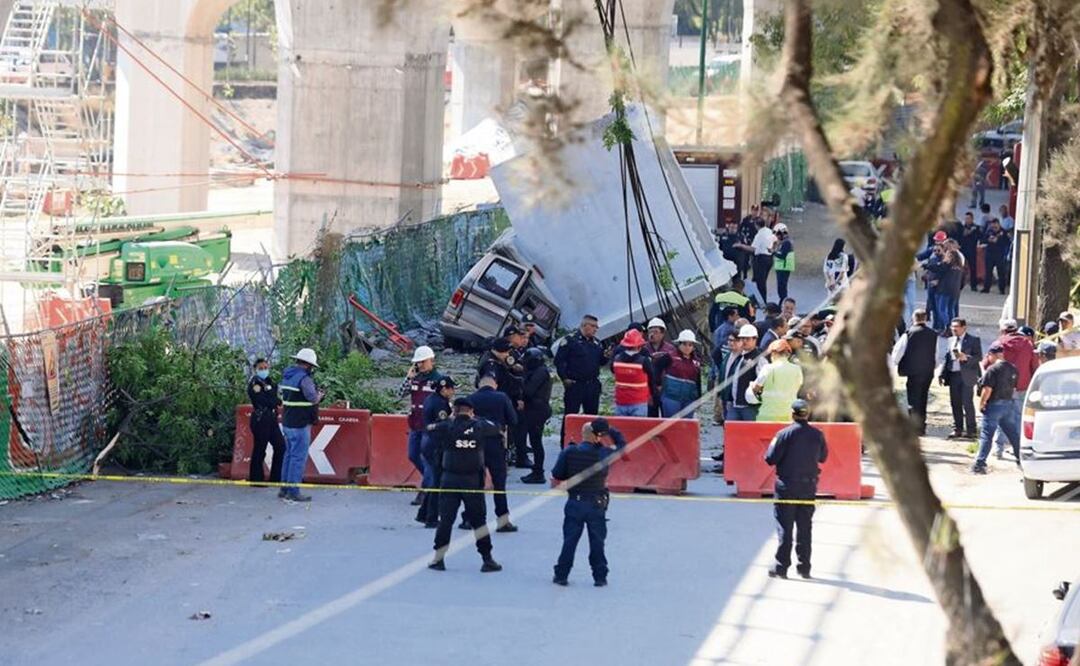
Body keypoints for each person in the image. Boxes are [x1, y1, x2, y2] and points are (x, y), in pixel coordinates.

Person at [427, 398, 503, 573]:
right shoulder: (480, 426)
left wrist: (447, 420)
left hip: (449, 479)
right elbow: (497, 428)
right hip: (472, 481)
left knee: (446, 521)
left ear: (454, 411)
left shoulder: (447, 426)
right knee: (479, 522)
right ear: (471, 411)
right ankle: (487, 559)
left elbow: (430, 429)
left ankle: (438, 559)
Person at [551, 418, 626, 587]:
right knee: (597, 542)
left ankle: (561, 574)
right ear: (598, 436)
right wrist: (609, 429)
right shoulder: (604, 453)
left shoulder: (570, 452)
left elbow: (557, 473)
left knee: (569, 541)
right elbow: (622, 446)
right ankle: (600, 577)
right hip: (596, 504)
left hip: (575, 502)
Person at [764, 399, 828, 579]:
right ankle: (804, 567)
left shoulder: (783, 434)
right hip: (808, 486)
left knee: (785, 526)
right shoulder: (818, 435)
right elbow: (823, 457)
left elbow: (770, 458)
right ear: (808, 414)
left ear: (792, 414)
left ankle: (781, 566)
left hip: (786, 486)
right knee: (805, 527)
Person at [468, 376, 519, 532]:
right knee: (499, 484)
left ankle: (469, 519)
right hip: (496, 444)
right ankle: (503, 521)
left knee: (475, 483)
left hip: (476, 444)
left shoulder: (471, 398)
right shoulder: (502, 397)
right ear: (495, 385)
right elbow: (513, 420)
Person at [988, 318, 1039, 458]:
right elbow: (1034, 365)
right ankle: (1018, 450)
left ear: (1002, 330)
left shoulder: (999, 343)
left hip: (1002, 386)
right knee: (1019, 417)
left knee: (1001, 417)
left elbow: (988, 363)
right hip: (1022, 386)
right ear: (1016, 329)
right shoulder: (1028, 344)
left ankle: (998, 448)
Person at [399, 345, 443, 505]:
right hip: (415, 423)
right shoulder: (415, 378)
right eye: (418, 362)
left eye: (423, 362)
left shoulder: (439, 380)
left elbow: (446, 402)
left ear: (431, 361)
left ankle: (425, 490)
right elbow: (400, 394)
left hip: (430, 426)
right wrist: (408, 378)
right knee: (413, 455)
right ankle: (433, 481)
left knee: (428, 457)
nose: (420, 365)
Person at [279, 348, 324, 502]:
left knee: (289, 455)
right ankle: (293, 491)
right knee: (298, 458)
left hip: (287, 422)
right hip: (300, 423)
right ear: (308, 364)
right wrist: (320, 395)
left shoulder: (287, 376)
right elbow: (312, 398)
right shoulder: (304, 379)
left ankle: (284, 488)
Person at [554, 315, 604, 443]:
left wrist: (607, 356)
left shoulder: (597, 343)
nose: (595, 329)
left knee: (591, 417)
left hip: (592, 384)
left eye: (596, 327)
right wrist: (564, 378)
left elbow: (600, 362)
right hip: (575, 384)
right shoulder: (570, 340)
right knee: (570, 416)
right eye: (593, 326)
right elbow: (559, 361)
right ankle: (566, 444)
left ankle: (591, 444)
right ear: (584, 325)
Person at [971, 344, 1020, 474]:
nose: (988, 358)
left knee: (987, 435)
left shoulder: (992, 369)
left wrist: (982, 403)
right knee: (1013, 434)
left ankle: (980, 464)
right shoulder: (1013, 368)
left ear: (993, 355)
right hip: (1008, 404)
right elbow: (1014, 388)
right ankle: (1021, 459)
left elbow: (987, 389)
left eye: (989, 355)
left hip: (994, 405)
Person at [418, 376, 456, 527]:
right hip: (435, 444)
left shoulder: (431, 399)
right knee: (437, 482)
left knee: (435, 480)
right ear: (444, 389)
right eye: (451, 389)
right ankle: (431, 518)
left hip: (428, 441)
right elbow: (443, 425)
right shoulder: (440, 403)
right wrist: (452, 419)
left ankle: (423, 513)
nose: (453, 392)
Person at [893, 309, 938, 435]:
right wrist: (932, 367)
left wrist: (894, 364)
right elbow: (936, 354)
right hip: (927, 372)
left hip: (913, 372)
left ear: (914, 318)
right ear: (925, 319)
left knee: (913, 400)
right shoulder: (933, 334)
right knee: (923, 398)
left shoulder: (908, 333)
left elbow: (898, 352)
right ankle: (921, 426)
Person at [939, 318, 982, 439]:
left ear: (964, 327)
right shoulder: (950, 340)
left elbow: (978, 357)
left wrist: (966, 358)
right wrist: (942, 374)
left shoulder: (973, 340)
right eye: (952, 327)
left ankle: (971, 430)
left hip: (967, 376)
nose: (954, 329)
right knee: (955, 403)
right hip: (953, 375)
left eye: (956, 327)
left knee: (967, 403)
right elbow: (947, 358)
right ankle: (957, 428)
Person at [247, 358, 285, 485]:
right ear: (255, 370)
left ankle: (276, 477)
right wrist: (275, 400)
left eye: (265, 368)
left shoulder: (269, 381)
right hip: (261, 419)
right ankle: (256, 479)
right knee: (260, 449)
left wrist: (274, 399)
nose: (264, 370)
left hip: (272, 419)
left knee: (280, 446)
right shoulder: (255, 384)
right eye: (261, 368)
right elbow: (264, 400)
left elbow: (275, 395)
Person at [653, 330, 703, 418]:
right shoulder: (670, 356)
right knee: (671, 424)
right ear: (679, 344)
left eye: (690, 345)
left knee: (686, 424)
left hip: (689, 399)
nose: (687, 347)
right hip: (671, 397)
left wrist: (699, 398)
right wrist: (658, 384)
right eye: (684, 344)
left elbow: (698, 380)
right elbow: (656, 367)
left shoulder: (696, 361)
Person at [520, 348, 552, 484]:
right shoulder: (539, 371)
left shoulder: (540, 372)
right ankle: (537, 471)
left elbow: (528, 390)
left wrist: (521, 379)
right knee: (535, 441)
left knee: (536, 442)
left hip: (537, 410)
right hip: (536, 409)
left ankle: (538, 472)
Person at [750, 340, 804, 422]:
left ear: (774, 353)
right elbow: (798, 386)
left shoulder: (767, 368)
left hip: (768, 415)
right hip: (788, 414)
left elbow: (756, 388)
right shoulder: (797, 369)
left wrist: (752, 386)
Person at [723, 324, 766, 422]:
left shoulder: (759, 358)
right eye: (742, 338)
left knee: (750, 431)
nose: (744, 341)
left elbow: (764, 381)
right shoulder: (739, 356)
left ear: (755, 339)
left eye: (747, 339)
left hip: (750, 407)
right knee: (731, 430)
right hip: (734, 405)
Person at [610, 329, 654, 417]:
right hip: (639, 402)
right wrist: (652, 395)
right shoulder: (644, 361)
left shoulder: (616, 360)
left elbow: (612, 370)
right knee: (638, 425)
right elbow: (651, 379)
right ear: (639, 346)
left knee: (621, 425)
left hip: (621, 401)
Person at [644, 318, 677, 417]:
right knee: (651, 417)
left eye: (655, 332)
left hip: (665, 388)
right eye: (650, 331)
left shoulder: (670, 349)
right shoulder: (643, 348)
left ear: (662, 334)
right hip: (649, 389)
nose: (652, 334)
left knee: (667, 417)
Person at [928, 249, 963, 330]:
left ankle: (948, 326)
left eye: (947, 255)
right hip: (955, 291)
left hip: (944, 291)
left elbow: (936, 268)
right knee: (951, 310)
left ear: (950, 257)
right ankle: (954, 326)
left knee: (942, 310)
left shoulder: (947, 265)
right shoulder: (959, 267)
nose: (945, 257)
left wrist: (924, 265)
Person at [751, 215, 777, 303]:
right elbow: (775, 240)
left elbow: (753, 248)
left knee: (760, 282)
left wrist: (741, 246)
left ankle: (762, 301)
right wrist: (773, 249)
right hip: (769, 259)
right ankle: (761, 300)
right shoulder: (769, 231)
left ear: (756, 225)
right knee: (763, 280)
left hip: (761, 259)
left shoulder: (759, 235)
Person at [980, 218, 1010, 294]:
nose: (994, 227)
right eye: (992, 226)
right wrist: (988, 240)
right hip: (990, 254)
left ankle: (1002, 289)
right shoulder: (989, 231)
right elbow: (983, 240)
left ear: (998, 224)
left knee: (1001, 272)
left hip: (999, 254)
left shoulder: (1003, 232)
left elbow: (1007, 242)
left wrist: (998, 241)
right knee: (988, 272)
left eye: (995, 226)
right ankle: (986, 288)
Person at [958, 212, 981, 291]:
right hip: (963, 250)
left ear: (972, 219)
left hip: (972, 250)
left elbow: (980, 237)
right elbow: (959, 237)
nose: (967, 220)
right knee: (960, 268)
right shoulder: (961, 228)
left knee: (973, 268)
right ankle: (959, 285)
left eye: (968, 218)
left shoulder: (976, 228)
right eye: (966, 218)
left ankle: (973, 285)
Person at [737, 205, 761, 279]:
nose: (755, 212)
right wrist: (743, 238)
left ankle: (755, 277)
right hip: (747, 242)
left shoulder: (759, 220)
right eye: (753, 210)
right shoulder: (746, 219)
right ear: (751, 210)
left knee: (755, 260)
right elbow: (740, 229)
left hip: (756, 243)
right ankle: (745, 275)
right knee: (745, 260)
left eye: (756, 210)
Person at [772, 223, 795, 301]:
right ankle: (783, 301)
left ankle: (784, 302)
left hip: (783, 268)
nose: (777, 237)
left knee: (782, 287)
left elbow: (782, 255)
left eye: (777, 234)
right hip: (782, 268)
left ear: (781, 233)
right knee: (781, 287)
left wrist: (773, 252)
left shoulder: (786, 243)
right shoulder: (785, 242)